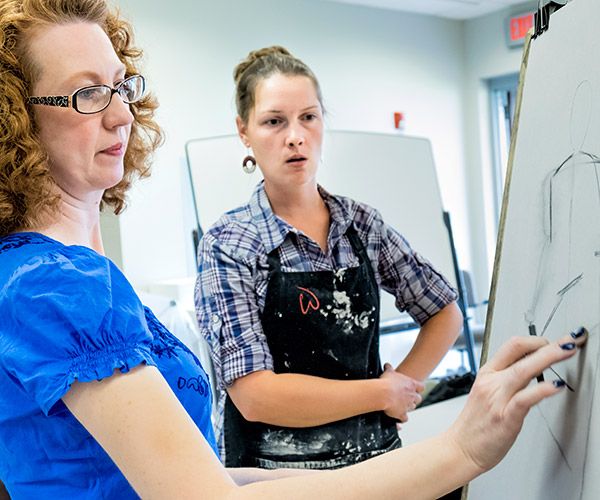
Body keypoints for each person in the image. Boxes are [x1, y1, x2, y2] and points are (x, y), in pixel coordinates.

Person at [0, 0, 587, 498]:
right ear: (16, 122)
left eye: (120, 88)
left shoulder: (360, 224)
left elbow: (205, 481)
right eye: (86, 96)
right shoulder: (56, 286)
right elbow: (239, 426)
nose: (122, 114)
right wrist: (459, 448)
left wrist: (401, 398)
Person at [195, 46, 463, 469]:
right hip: (278, 480)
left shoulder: (362, 225)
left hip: (377, 465)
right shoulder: (230, 244)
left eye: (308, 117)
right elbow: (255, 395)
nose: (295, 136)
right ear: (244, 132)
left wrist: (404, 385)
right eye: (273, 122)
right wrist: (380, 393)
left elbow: (444, 313)